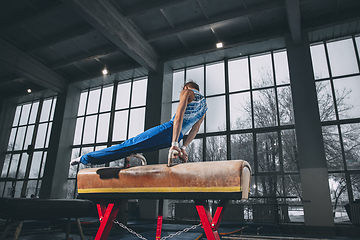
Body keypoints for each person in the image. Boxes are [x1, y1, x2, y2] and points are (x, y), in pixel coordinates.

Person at [70, 81, 207, 165]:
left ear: (187, 87)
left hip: (170, 131)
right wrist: (182, 147)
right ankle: (89, 159)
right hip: (178, 136)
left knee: (128, 145)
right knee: (134, 148)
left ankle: (86, 158)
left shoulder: (187, 92)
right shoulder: (204, 106)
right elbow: (195, 129)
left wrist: (174, 144)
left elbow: (178, 117)